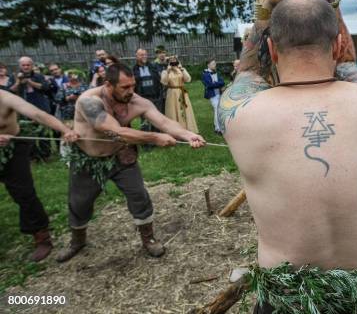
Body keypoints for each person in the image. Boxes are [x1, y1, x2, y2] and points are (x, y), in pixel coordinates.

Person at [219, 0, 357, 313]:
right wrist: (332, 1)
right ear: (336, 44)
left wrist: (265, 11)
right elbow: (348, 65)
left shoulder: (240, 112)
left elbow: (248, 73)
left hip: (290, 299)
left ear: (272, 47)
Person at [56, 63, 205, 262]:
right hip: (88, 160)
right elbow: (116, 130)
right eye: (125, 87)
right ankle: (77, 241)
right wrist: (154, 138)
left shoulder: (135, 101)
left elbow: (164, 122)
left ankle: (148, 238)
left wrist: (188, 135)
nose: (131, 91)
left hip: (121, 155)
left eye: (133, 85)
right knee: (79, 202)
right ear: (108, 85)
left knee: (139, 196)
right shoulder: (89, 101)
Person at [0, 90, 79, 261]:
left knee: (24, 194)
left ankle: (42, 237)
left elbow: (38, 114)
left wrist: (65, 130)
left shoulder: (5, 98)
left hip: (13, 149)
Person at [160, 56, 198, 133]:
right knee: (173, 111)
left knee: (183, 110)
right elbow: (164, 82)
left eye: (175, 60)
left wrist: (182, 69)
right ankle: (174, 131)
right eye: (171, 61)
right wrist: (167, 71)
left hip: (181, 92)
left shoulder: (181, 69)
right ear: (168, 62)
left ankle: (186, 129)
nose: (173, 62)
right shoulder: (165, 71)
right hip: (172, 93)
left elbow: (188, 79)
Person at [133, 48, 164, 114]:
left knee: (158, 119)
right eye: (141, 55)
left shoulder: (153, 67)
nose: (144, 56)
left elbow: (160, 80)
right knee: (146, 121)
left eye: (145, 54)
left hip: (156, 98)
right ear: (137, 56)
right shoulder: (134, 70)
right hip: (142, 100)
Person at [201, 59, 225, 135]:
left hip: (220, 93)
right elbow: (209, 85)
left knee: (219, 110)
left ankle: (218, 126)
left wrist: (216, 83)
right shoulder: (205, 74)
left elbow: (223, 82)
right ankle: (218, 129)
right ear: (208, 65)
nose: (215, 65)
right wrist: (218, 84)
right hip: (212, 95)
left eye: (215, 64)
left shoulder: (217, 72)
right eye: (213, 64)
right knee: (217, 109)